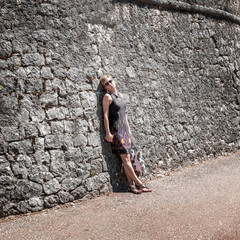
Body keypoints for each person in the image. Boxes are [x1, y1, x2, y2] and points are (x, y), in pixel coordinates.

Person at [100, 75, 152, 194]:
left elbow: (125, 115)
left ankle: (131, 185)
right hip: (116, 130)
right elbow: (105, 116)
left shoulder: (121, 96)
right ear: (105, 87)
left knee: (127, 157)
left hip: (124, 130)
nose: (109, 84)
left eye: (110, 81)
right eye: (106, 84)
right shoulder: (107, 97)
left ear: (114, 80)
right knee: (125, 158)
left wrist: (129, 130)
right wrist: (108, 132)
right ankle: (139, 184)